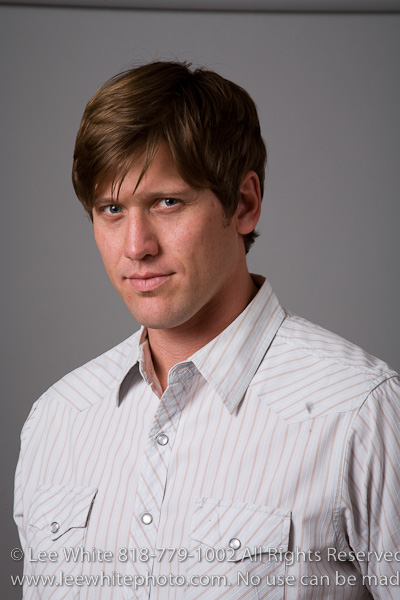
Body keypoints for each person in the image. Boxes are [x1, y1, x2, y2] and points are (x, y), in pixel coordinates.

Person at [14, 61, 400, 600]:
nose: (136, 247)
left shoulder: (359, 412)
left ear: (244, 204)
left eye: (167, 202)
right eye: (112, 209)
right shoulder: (56, 420)